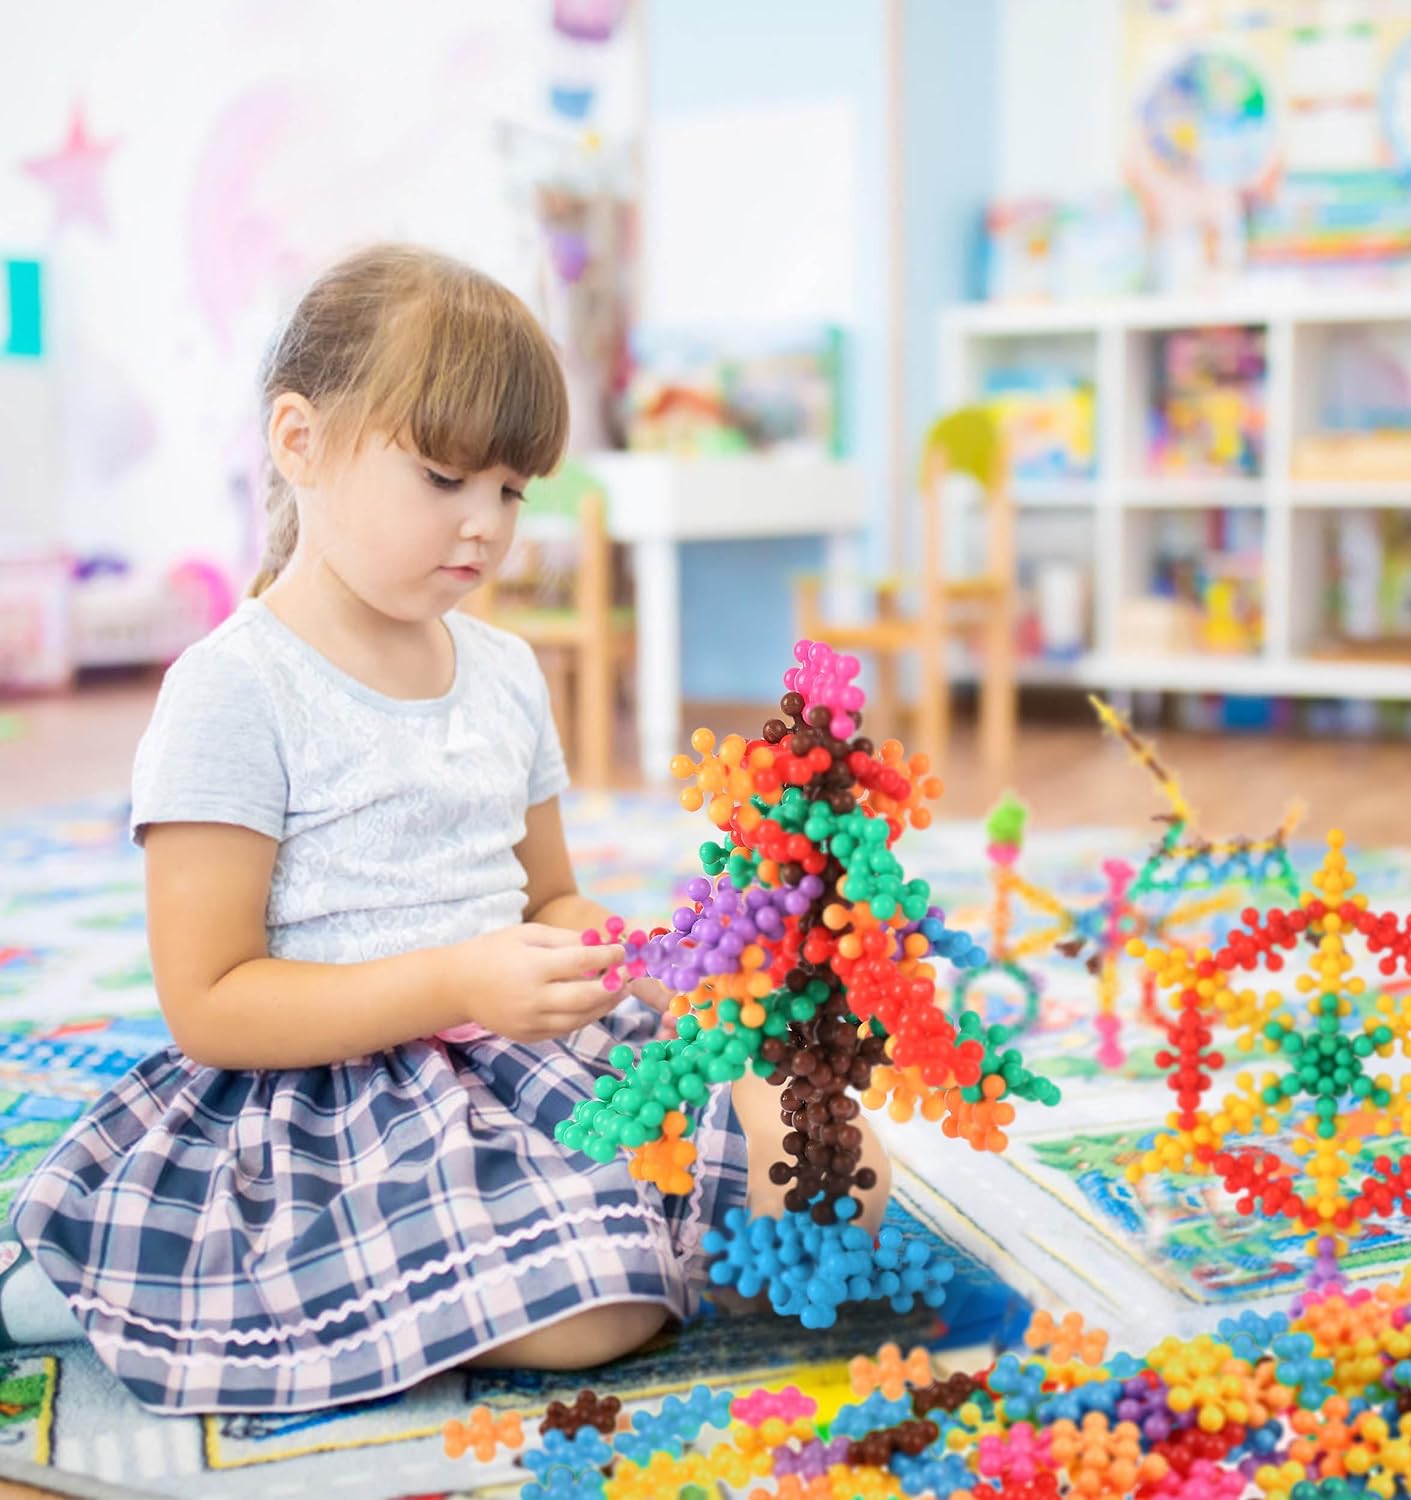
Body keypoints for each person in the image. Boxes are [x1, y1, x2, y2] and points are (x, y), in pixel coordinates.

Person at [6, 244, 887, 1415]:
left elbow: (550, 899)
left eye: (512, 490)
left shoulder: (507, 672)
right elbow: (210, 1003)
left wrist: (652, 967)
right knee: (600, 1307)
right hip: (328, 1098)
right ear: (298, 443)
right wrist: (455, 980)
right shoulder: (233, 690)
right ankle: (154, 1279)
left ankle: (616, 1245)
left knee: (834, 1155)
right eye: (442, 477)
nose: (484, 525)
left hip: (525, 1054)